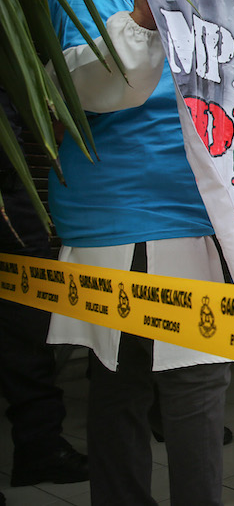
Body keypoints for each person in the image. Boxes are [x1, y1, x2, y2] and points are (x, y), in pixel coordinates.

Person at [45, 0, 231, 506]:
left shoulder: (185, 1)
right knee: (162, 385)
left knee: (184, 384)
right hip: (132, 224)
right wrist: (144, 15)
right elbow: (84, 82)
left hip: (187, 219)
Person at [0, 94, 88, 495]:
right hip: (11, 178)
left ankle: (39, 445)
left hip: (13, 174)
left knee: (28, 322)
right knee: (26, 322)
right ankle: (39, 444)